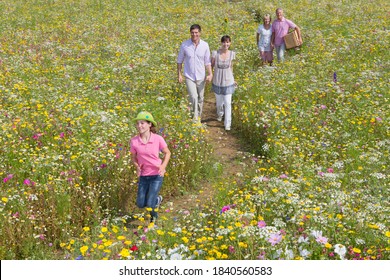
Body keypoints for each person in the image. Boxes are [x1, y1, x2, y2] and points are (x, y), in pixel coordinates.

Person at [130, 111, 171, 223]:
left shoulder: (158, 139)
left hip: (156, 175)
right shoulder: (134, 141)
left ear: (150, 124)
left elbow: (168, 153)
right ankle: (158, 200)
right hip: (144, 175)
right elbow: (133, 157)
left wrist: (163, 166)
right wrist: (137, 167)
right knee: (140, 203)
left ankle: (154, 219)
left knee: (150, 203)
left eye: (142, 123)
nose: (139, 126)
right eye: (138, 123)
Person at [177, 24, 213, 122]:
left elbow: (207, 62)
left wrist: (210, 74)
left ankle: (199, 116)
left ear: (200, 33)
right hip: (189, 76)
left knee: (200, 98)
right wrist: (179, 74)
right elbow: (179, 61)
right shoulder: (184, 45)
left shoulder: (205, 45)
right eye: (192, 33)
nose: (194, 35)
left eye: (196, 32)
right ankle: (195, 119)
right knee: (194, 97)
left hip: (201, 76)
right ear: (190, 33)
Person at [211, 35, 236, 131]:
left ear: (230, 43)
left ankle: (227, 124)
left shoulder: (232, 54)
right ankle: (220, 114)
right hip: (217, 81)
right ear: (221, 43)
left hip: (228, 81)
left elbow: (231, 67)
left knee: (228, 103)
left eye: (228, 42)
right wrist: (210, 75)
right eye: (224, 42)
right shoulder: (215, 53)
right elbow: (212, 65)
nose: (226, 44)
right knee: (219, 103)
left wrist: (234, 79)